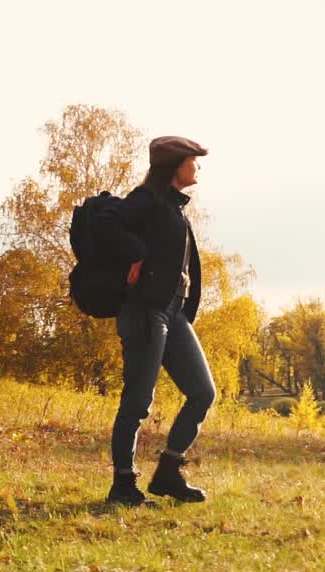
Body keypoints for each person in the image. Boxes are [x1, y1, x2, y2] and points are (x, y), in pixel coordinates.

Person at [95, 135, 215, 506]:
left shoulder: (173, 206)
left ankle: (167, 472)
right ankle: (123, 485)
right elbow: (105, 219)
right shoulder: (146, 199)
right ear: (176, 164)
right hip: (145, 311)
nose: (197, 166)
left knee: (202, 392)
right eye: (192, 160)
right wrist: (133, 255)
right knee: (137, 400)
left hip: (172, 313)